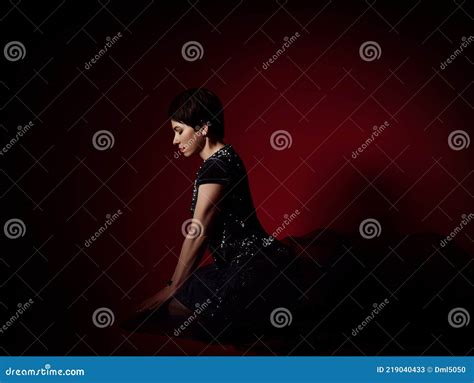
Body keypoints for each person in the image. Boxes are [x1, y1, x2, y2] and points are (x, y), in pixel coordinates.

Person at [128, 88, 308, 339]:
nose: (174, 141)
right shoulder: (225, 158)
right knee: (174, 310)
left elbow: (198, 232)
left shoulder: (216, 166)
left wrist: (172, 287)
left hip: (249, 268)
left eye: (179, 131)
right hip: (238, 264)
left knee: (173, 311)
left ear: (202, 128)